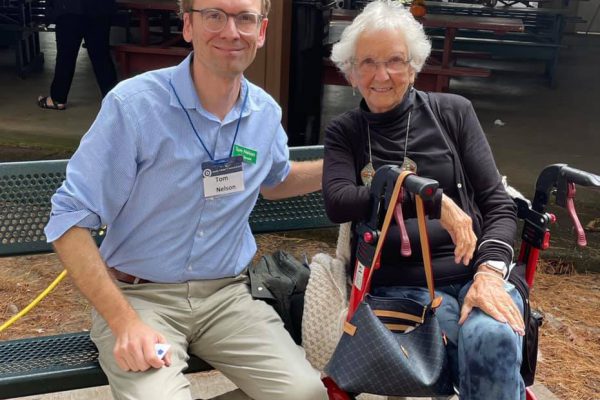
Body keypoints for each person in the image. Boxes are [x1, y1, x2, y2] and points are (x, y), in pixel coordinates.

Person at [44, 0, 327, 399]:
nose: (231, 31)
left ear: (261, 32)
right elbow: (68, 221)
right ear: (189, 26)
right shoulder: (135, 106)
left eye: (245, 18)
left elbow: (275, 180)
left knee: (307, 395)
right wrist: (124, 323)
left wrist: (342, 166)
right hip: (140, 298)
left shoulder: (264, 113)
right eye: (214, 15)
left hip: (227, 297)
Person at [322, 2, 526, 399]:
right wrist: (428, 196)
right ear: (350, 72)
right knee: (457, 341)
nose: (382, 75)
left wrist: (487, 275)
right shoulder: (345, 132)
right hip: (402, 290)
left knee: (492, 338)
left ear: (414, 65)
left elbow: (497, 205)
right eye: (367, 62)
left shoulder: (454, 113)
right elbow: (339, 201)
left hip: (473, 276)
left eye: (395, 60)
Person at [37, 0, 118, 110]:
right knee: (101, 57)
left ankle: (58, 98)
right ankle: (115, 99)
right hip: (99, 9)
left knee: (66, 56)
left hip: (69, 8)